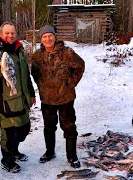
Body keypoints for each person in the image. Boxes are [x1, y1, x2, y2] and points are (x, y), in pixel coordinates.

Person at [31, 25, 85, 168]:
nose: (47, 39)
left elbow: (80, 66)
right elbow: (34, 74)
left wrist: (71, 83)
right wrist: (43, 86)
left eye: (50, 36)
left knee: (69, 126)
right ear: (41, 39)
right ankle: (50, 152)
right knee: (49, 127)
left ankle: (72, 156)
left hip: (65, 98)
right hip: (47, 99)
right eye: (44, 37)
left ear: (55, 37)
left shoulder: (67, 52)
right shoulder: (37, 56)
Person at [0, 22, 36, 173]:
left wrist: (32, 94)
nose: (10, 35)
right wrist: (1, 65)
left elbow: (25, 74)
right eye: (6, 33)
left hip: (22, 98)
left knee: (24, 129)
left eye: (12, 33)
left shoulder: (19, 49)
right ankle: (7, 160)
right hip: (5, 102)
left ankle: (14, 151)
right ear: (1, 34)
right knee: (9, 133)